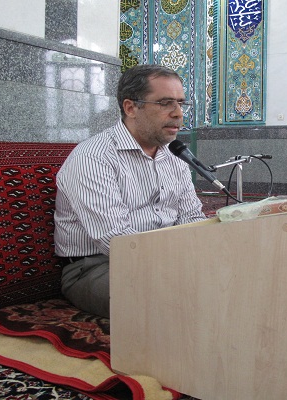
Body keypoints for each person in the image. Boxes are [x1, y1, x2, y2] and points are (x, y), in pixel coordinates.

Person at [53, 64, 207, 318]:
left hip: (164, 256)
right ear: (131, 108)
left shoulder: (174, 157)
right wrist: (179, 266)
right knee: (179, 296)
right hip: (99, 266)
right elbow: (118, 241)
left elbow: (191, 218)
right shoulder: (94, 157)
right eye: (166, 103)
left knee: (231, 277)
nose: (178, 113)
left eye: (181, 103)